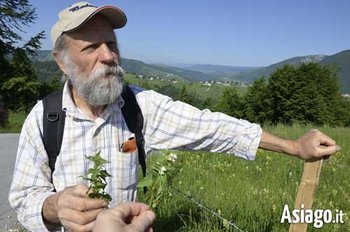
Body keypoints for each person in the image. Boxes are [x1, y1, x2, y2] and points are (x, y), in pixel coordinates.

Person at [8, 1, 341, 231]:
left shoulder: (139, 108)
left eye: (111, 43)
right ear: (63, 62)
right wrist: (54, 208)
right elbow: (24, 199)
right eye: (91, 48)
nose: (109, 55)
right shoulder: (44, 118)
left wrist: (294, 147)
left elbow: (213, 128)